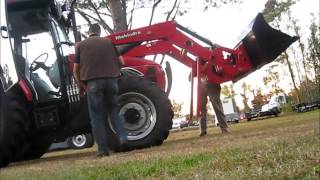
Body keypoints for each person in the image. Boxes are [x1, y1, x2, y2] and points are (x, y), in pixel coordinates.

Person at [73, 23, 127, 157]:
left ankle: (103, 150)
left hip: (93, 83)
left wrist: (80, 86)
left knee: (96, 116)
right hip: (112, 81)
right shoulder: (109, 42)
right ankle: (123, 138)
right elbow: (122, 62)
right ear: (99, 32)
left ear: (89, 32)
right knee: (114, 111)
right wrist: (114, 72)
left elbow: (75, 69)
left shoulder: (81, 46)